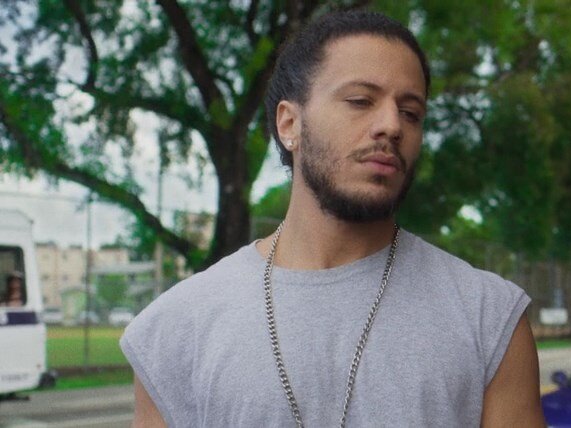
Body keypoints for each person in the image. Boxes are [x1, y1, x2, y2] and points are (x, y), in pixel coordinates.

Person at [120, 10, 545, 427]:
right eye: (360, 101)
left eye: (411, 112)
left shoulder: (488, 318)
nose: (392, 126)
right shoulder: (175, 329)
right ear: (290, 124)